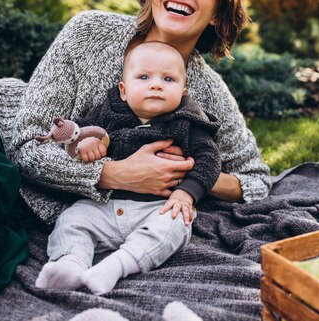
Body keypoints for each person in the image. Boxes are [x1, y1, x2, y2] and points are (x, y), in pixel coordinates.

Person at [0, 0, 271, 310]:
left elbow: (257, 179)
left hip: (32, 206)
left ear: (217, 11)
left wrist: (188, 174)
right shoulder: (90, 32)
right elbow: (26, 144)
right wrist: (116, 173)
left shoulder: (210, 94)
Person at [36, 42, 221, 295]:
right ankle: (70, 264)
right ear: (123, 90)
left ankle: (118, 265)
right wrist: (86, 143)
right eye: (144, 77)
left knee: (176, 224)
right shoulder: (108, 112)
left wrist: (186, 193)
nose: (156, 85)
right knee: (71, 220)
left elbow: (209, 159)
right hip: (103, 206)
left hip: (156, 207)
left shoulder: (188, 122)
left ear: (182, 90)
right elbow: (82, 133)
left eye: (168, 79)